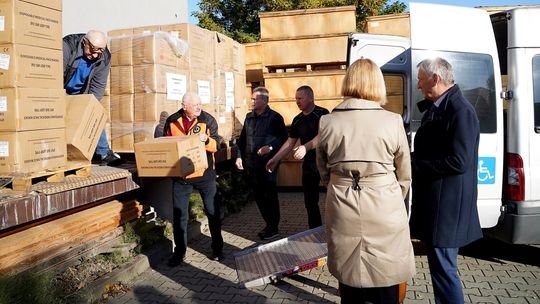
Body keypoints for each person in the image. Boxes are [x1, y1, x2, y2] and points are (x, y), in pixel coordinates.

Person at [317, 58, 415, 304]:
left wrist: (339, 185)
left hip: (342, 203)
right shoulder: (392, 121)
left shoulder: (327, 121)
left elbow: (323, 169)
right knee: (386, 281)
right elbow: (404, 174)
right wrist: (391, 195)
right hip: (385, 206)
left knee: (349, 281)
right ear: (377, 84)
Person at [410, 57, 482, 304]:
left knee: (444, 271)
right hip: (438, 207)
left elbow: (459, 162)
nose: (419, 85)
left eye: (420, 79)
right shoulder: (442, 106)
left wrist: (415, 165)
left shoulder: (461, 111)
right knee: (441, 270)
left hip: (447, 211)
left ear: (435, 79)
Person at [163, 92, 224, 266]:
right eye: (195, 104)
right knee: (180, 215)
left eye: (200, 104)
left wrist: (206, 141)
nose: (199, 107)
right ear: (184, 106)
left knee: (213, 212)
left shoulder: (208, 120)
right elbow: (167, 144)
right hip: (181, 177)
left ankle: (218, 249)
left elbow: (217, 145)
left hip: (205, 174)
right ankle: (179, 253)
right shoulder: (172, 121)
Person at [266, 85, 329, 229]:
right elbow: (289, 143)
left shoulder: (323, 114)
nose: (297, 101)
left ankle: (333, 231)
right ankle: (315, 233)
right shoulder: (297, 120)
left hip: (326, 163)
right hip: (309, 166)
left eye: (300, 98)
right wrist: (275, 159)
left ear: (311, 98)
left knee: (332, 199)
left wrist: (306, 147)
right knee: (310, 202)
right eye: (296, 99)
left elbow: (323, 135)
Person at [63, 30, 121, 166]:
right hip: (62, 88)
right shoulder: (67, 46)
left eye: (99, 51)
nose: (94, 55)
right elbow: (55, 73)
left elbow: (98, 86)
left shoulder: (104, 57)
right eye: (92, 50)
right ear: (85, 43)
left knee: (93, 113)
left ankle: (105, 154)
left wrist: (88, 107)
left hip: (82, 93)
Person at [236, 87, 287, 240]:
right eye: (251, 99)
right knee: (258, 196)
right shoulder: (248, 117)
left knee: (269, 196)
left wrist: (270, 147)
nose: (251, 101)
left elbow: (284, 139)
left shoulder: (275, 117)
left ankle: (273, 227)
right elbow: (242, 140)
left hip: (268, 165)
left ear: (264, 100)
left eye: (254, 99)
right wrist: (239, 157)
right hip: (252, 164)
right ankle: (269, 224)